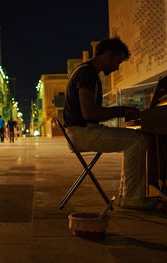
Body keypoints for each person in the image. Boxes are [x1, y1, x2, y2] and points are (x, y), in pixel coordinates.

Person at [63, 37, 157, 210]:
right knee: (138, 140)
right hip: (82, 133)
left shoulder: (87, 72)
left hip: (82, 131)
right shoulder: (87, 73)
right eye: (117, 61)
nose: (117, 67)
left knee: (134, 139)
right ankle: (132, 199)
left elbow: (90, 112)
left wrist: (119, 111)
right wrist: (120, 110)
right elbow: (89, 112)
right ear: (107, 54)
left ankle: (128, 195)